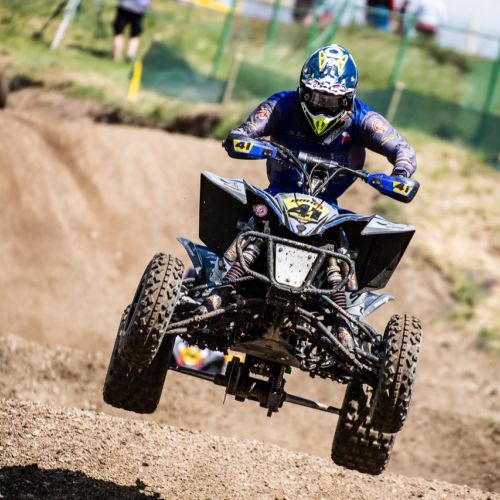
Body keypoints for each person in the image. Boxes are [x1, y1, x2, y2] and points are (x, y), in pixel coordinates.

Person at [205, 44, 417, 349]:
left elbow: (401, 148)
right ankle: (215, 286)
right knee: (249, 216)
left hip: (328, 211)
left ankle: (345, 322)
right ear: (303, 91)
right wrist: (246, 141)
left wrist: (400, 173)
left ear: (347, 99)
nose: (322, 106)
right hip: (277, 198)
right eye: (317, 97)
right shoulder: (282, 105)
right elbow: (243, 132)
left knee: (346, 245)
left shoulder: (364, 119)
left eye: (331, 101)